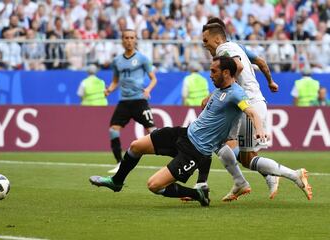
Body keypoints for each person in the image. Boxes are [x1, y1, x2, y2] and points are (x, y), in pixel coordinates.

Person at [90, 56, 266, 207]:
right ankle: (116, 182)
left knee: (154, 185)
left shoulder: (237, 94)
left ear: (226, 73)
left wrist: (260, 130)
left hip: (195, 151)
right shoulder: (221, 88)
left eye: (213, 71)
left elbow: (251, 112)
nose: (210, 75)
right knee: (136, 146)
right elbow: (235, 70)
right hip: (183, 133)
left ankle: (198, 194)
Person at [201, 23, 312, 201]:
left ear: (217, 38)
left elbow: (238, 66)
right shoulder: (237, 47)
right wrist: (270, 82)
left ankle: (292, 175)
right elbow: (260, 62)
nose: (204, 44)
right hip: (247, 102)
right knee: (223, 142)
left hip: (248, 103)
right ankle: (242, 181)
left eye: (206, 40)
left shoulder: (223, 49)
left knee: (245, 157)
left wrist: (216, 92)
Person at [106, 29, 157, 173]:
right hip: (124, 102)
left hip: (139, 101)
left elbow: (154, 78)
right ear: (122, 40)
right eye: (126, 37)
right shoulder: (117, 61)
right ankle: (119, 163)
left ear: (135, 40)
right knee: (113, 130)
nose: (129, 40)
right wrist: (109, 89)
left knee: (153, 132)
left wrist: (148, 90)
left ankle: (173, 156)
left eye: (132, 38)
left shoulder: (142, 58)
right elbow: (115, 81)